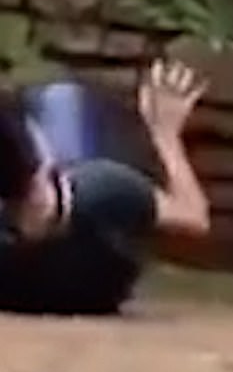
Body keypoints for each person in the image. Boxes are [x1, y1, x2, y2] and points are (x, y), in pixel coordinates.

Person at [0, 57, 210, 315]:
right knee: (62, 97)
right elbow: (194, 217)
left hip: (28, 265)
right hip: (88, 261)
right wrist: (165, 134)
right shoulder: (104, 187)